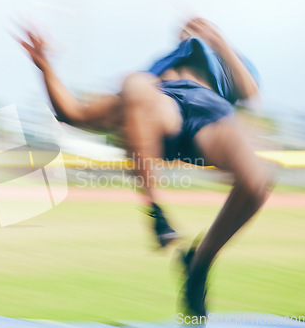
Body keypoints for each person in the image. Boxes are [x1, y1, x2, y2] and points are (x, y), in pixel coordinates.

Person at [15, 17, 273, 316]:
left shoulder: (224, 64)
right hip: (164, 110)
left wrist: (217, 39)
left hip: (212, 117)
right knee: (134, 83)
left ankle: (199, 263)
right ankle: (156, 213)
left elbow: (250, 92)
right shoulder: (152, 77)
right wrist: (45, 66)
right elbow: (72, 113)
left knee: (258, 183)